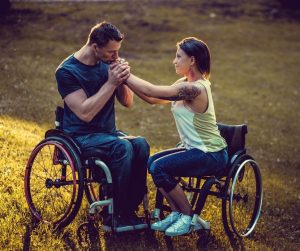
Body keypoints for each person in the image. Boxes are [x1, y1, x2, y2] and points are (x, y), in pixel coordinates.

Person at [124, 37, 228, 236]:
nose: (174, 60)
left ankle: (188, 218)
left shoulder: (195, 89)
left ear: (192, 60)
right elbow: (153, 98)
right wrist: (123, 78)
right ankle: (178, 213)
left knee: (160, 167)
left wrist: (125, 74)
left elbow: (151, 90)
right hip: (195, 149)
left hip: (211, 154)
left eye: (178, 56)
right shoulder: (185, 83)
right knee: (153, 162)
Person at [55, 21, 149, 232]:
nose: (115, 56)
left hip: (108, 134)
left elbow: (127, 102)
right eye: (111, 52)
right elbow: (85, 113)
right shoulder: (67, 71)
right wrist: (111, 83)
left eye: (118, 52)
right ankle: (112, 215)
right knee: (122, 148)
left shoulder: (108, 63)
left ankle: (128, 210)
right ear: (95, 47)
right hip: (79, 137)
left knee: (141, 144)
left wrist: (122, 78)